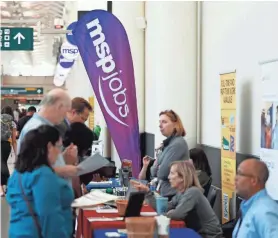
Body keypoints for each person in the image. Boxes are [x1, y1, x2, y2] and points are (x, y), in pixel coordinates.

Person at [6, 125, 74, 238]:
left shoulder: (17, 174)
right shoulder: (43, 175)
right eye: (58, 147)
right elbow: (49, 216)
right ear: (49, 147)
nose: (59, 153)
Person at [133, 160, 223, 238]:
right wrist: (147, 192)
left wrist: (170, 212)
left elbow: (177, 214)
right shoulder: (181, 193)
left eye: (172, 173)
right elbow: (165, 208)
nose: (168, 177)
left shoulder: (193, 192)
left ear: (182, 177)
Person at [17, 88, 78, 178]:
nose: (65, 116)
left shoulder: (43, 127)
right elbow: (33, 171)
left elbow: (44, 162)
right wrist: (65, 170)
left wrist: (63, 158)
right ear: (59, 107)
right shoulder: (37, 129)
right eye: (66, 111)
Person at [139, 110, 189, 199]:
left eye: (164, 122)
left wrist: (158, 167)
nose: (160, 125)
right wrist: (158, 166)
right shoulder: (168, 144)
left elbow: (162, 173)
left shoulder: (178, 144)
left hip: (172, 195)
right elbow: (154, 171)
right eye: (160, 122)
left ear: (175, 125)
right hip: (163, 192)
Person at [233, 159, 278, 238]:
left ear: (254, 180)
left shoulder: (265, 211)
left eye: (239, 173)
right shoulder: (248, 206)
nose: (235, 178)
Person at [1, 106, 17, 196]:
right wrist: (16, 153)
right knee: (3, 163)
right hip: (6, 145)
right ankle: (7, 185)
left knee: (1, 164)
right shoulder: (12, 123)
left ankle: (1, 190)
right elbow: (14, 140)